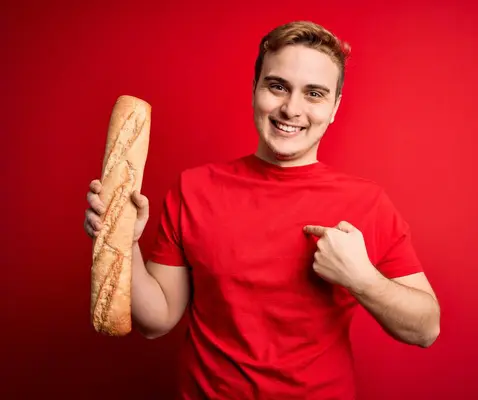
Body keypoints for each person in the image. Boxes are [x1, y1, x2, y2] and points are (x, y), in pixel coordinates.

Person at [84, 20, 440, 400]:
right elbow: (156, 320)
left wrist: (362, 279)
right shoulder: (193, 188)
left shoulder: (366, 203)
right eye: (277, 86)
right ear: (255, 89)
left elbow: (425, 329)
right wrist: (126, 240)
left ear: (335, 108)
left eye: (314, 94)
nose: (291, 108)